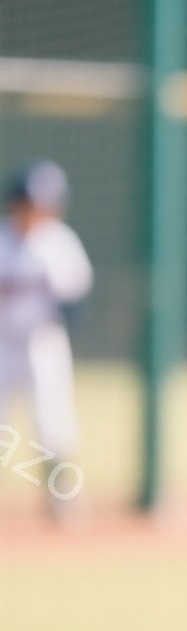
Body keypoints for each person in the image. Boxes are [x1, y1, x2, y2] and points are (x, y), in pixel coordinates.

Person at [0, 159, 93, 519]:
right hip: (3, 345)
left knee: (54, 424)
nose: (39, 212)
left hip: (43, 344)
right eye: (33, 205)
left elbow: (74, 301)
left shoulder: (59, 242)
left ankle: (63, 500)